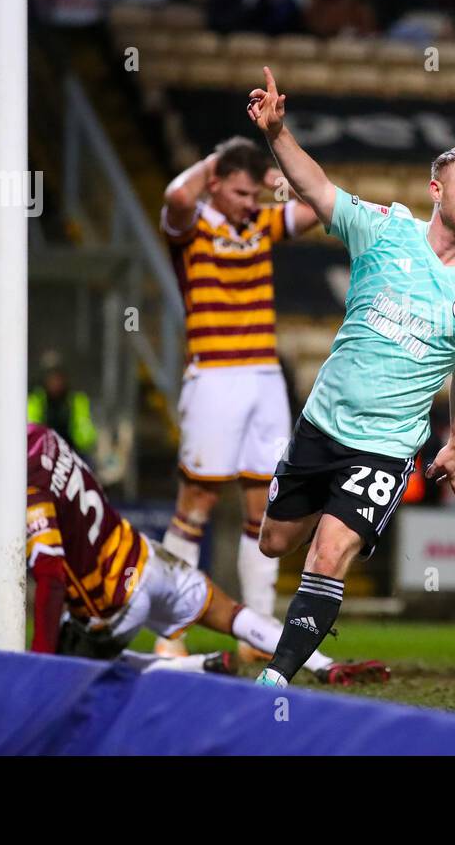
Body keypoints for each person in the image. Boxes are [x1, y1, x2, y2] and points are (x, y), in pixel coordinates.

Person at [246, 66, 455, 687]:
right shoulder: (384, 229)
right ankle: (299, 608)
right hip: (322, 423)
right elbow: (317, 189)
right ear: (436, 189)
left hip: (389, 446)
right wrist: (277, 134)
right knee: (274, 543)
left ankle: (277, 679)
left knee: (329, 552)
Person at [0, 400, 386, 684]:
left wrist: (39, 666)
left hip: (111, 600)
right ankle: (322, 663)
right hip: (146, 556)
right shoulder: (42, 436)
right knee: (231, 614)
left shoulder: (25, 489)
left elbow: (52, 577)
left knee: (76, 664)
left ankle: (185, 668)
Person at [159, 136, 319, 662]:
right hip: (214, 378)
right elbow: (177, 199)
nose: (252, 204)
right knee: (197, 504)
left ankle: (259, 628)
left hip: (264, 379)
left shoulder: (260, 224)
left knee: (263, 502)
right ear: (216, 185)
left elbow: (316, 208)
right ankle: (169, 626)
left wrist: (280, 179)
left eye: (256, 195)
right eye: (242, 193)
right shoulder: (193, 226)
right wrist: (212, 159)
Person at [27, 353, 97, 464]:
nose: (55, 383)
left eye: (58, 379)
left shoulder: (76, 401)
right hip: (44, 453)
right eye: (52, 379)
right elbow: (32, 429)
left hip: (72, 452)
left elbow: (86, 438)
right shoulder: (37, 400)